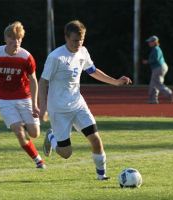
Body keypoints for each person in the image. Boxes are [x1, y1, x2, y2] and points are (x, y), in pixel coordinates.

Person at [38, 20, 132, 180]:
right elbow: (43, 81)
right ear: (66, 38)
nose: (78, 44)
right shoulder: (56, 57)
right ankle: (51, 137)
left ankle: (101, 176)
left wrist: (115, 81)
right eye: (75, 40)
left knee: (95, 139)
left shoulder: (83, 52)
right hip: (59, 110)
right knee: (66, 153)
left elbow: (93, 71)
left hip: (78, 105)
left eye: (81, 40)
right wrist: (43, 108)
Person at [0, 21, 45, 169]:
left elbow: (33, 79)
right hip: (3, 99)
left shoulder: (27, 57)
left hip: (24, 98)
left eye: (19, 39)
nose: (16, 42)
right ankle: (38, 160)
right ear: (5, 39)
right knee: (18, 131)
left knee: (35, 133)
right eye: (12, 38)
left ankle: (46, 135)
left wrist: (35, 104)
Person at [142, 35, 173, 104]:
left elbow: (156, 59)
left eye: (150, 41)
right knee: (153, 83)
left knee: (157, 83)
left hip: (159, 67)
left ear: (155, 42)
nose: (149, 43)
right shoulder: (155, 49)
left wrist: (147, 61)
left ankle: (170, 94)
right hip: (160, 67)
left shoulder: (156, 49)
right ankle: (153, 100)